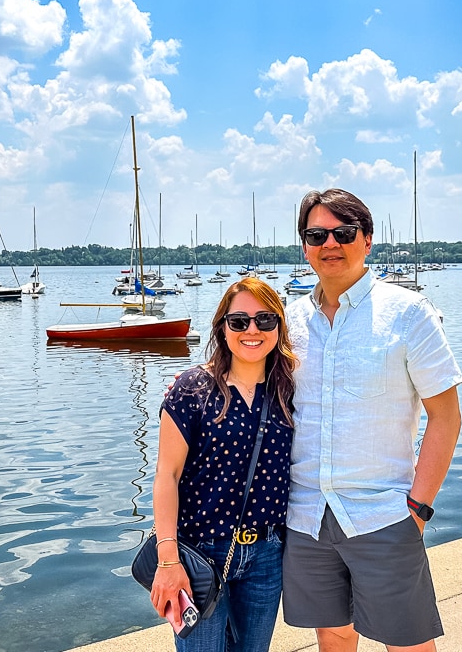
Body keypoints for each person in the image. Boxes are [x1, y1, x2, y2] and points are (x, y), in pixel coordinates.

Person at [281, 188, 462, 652]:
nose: (330, 243)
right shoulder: (289, 321)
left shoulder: (408, 314)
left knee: (407, 641)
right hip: (306, 515)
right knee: (334, 634)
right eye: (316, 234)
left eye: (344, 232)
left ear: (367, 240)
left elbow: (445, 417)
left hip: (383, 514)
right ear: (304, 245)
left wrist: (419, 508)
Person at [150, 277, 297, 652]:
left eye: (265, 320)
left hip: (266, 555)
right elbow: (167, 475)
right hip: (200, 553)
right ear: (222, 327)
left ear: (278, 327)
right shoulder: (192, 390)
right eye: (239, 321)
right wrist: (167, 560)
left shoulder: (289, 390)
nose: (252, 330)